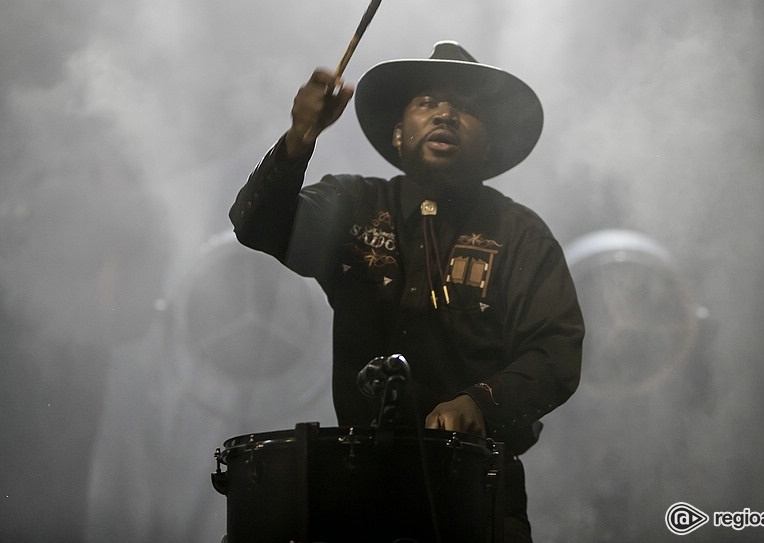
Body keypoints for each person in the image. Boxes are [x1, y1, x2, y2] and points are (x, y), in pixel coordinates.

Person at [229, 41, 584, 542]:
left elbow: (556, 351)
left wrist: (480, 404)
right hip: (356, 485)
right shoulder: (354, 203)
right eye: (427, 103)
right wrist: (300, 135)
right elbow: (256, 226)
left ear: (491, 144)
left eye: (467, 108)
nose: (446, 114)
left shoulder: (521, 234)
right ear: (399, 133)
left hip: (477, 486)